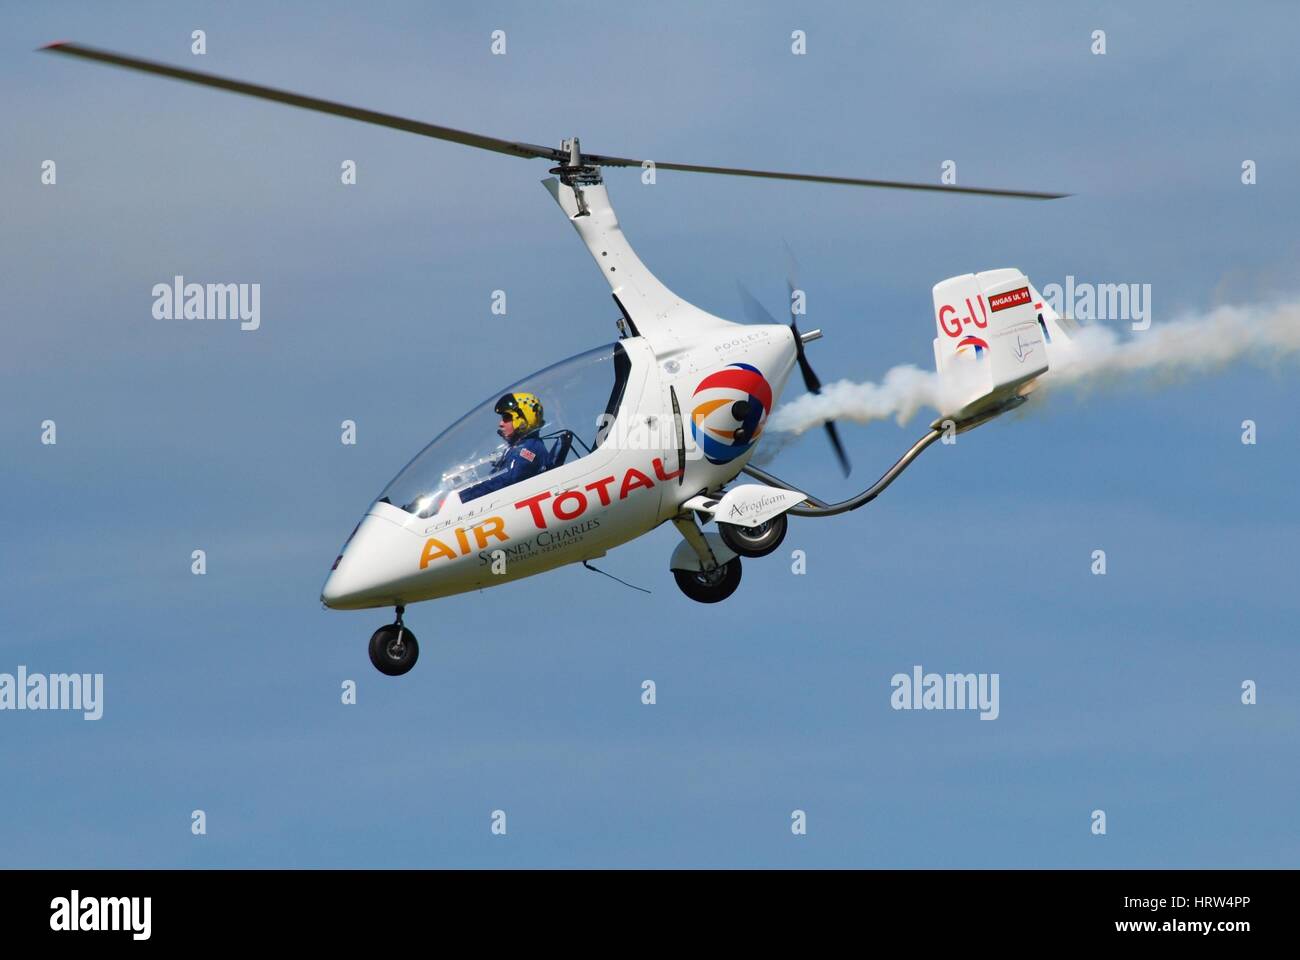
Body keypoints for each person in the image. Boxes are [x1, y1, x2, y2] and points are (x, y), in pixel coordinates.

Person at [459, 392, 550, 502]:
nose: (501, 424)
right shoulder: (519, 447)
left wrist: (463, 497)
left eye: (507, 418)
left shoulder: (528, 450)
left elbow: (505, 481)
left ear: (522, 419)